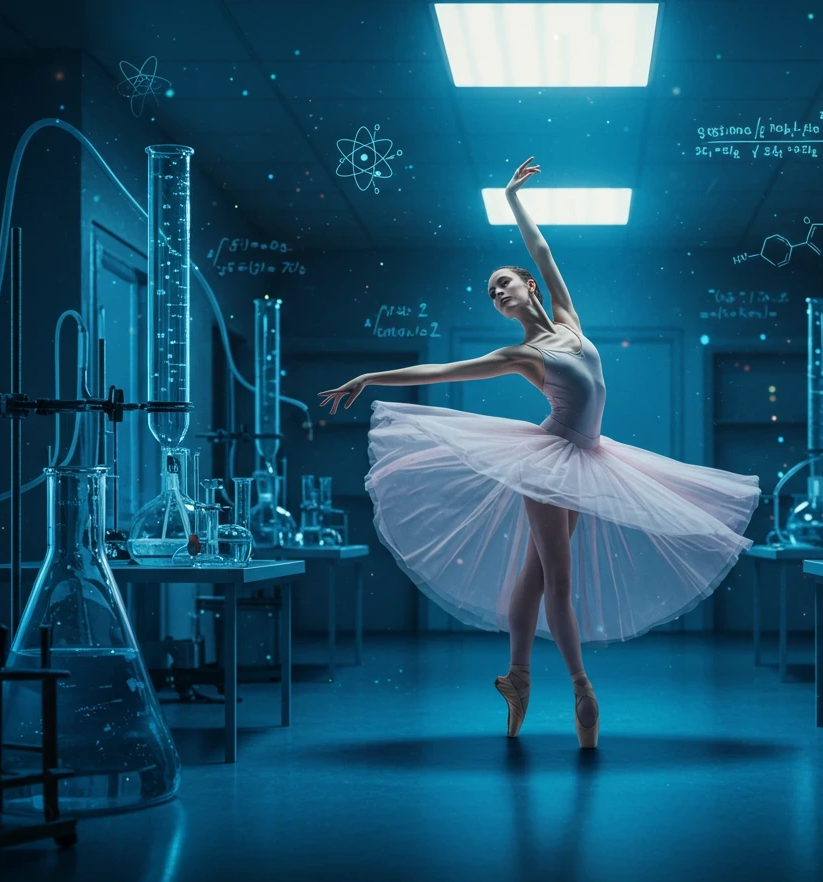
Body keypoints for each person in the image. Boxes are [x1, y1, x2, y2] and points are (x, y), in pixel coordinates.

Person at [320, 158, 761, 748]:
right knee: (558, 578)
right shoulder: (519, 354)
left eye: (504, 282)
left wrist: (512, 199)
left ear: (529, 285)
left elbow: (543, 250)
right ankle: (582, 687)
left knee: (533, 575)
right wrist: (372, 376)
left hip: (589, 455)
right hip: (550, 459)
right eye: (491, 293)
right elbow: (443, 368)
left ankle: (517, 678)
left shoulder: (570, 321)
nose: (498, 293)